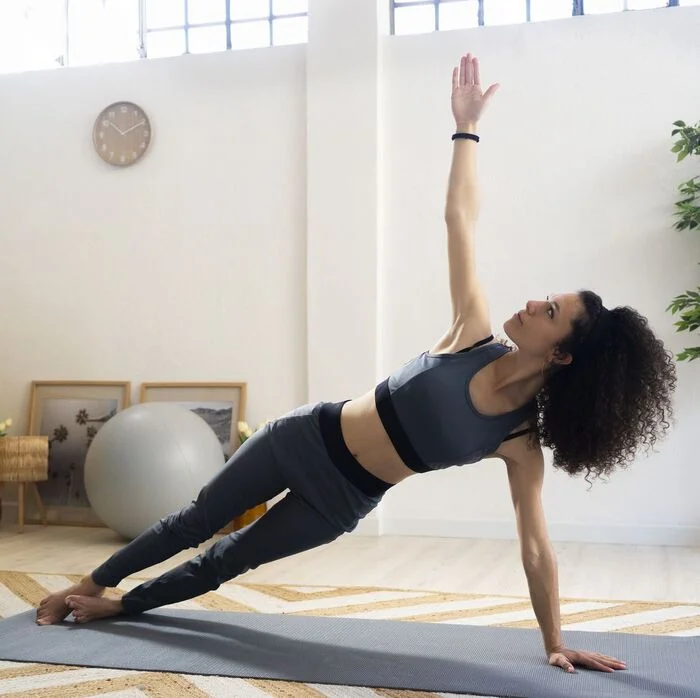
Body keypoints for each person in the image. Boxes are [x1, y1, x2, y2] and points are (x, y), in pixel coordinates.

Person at [37, 52, 676, 676]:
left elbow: (536, 547)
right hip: (304, 437)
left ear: (562, 353)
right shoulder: (473, 331)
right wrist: (466, 127)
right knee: (197, 520)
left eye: (551, 310)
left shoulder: (518, 440)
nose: (535, 301)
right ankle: (87, 584)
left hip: (341, 501)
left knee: (228, 560)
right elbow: (459, 218)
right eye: (547, 296)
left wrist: (555, 641)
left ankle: (120, 606)